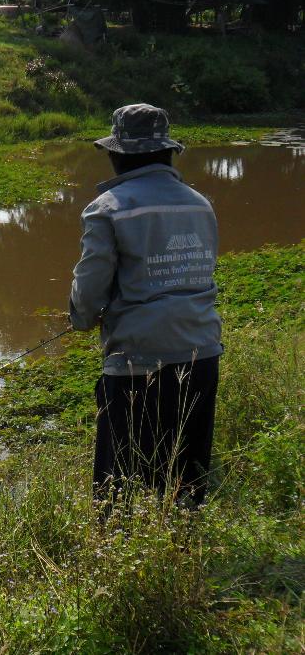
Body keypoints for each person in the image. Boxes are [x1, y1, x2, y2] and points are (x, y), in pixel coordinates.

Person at [69, 103, 222, 509]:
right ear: (168, 152)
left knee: (116, 483)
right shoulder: (199, 204)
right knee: (186, 476)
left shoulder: (107, 208)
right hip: (201, 353)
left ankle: (115, 551)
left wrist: (82, 319)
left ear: (118, 155)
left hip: (137, 362)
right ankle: (184, 549)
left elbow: (88, 293)